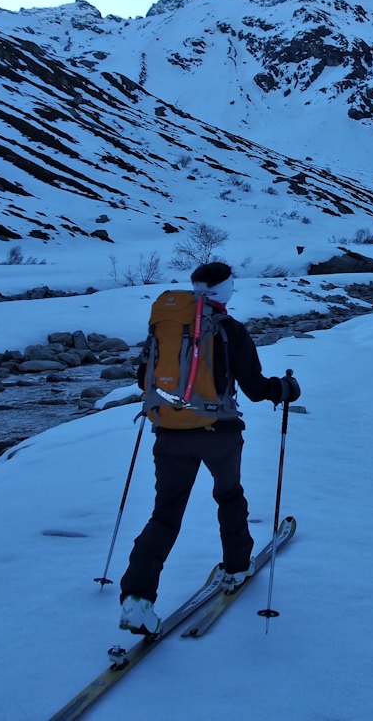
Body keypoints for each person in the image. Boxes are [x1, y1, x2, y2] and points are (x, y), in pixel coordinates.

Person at [118, 261, 301, 635]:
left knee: (165, 515)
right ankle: (237, 566)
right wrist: (285, 389)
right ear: (223, 291)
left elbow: (143, 376)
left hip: (169, 432)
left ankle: (137, 598)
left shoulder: (167, 328)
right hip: (220, 434)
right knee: (229, 495)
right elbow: (254, 387)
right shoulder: (231, 330)